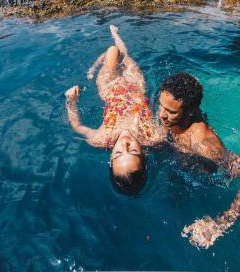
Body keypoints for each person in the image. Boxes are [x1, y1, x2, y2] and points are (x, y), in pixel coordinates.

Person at [158, 72, 240, 249]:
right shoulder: (173, 107)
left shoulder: (205, 145)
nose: (161, 115)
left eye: (170, 111)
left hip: (202, 181)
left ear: (190, 112)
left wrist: (221, 224)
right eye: (161, 105)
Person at [65, 25, 165, 195]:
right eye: (132, 150)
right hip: (136, 88)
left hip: (110, 87)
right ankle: (116, 36)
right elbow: (163, 111)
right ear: (144, 155)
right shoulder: (154, 137)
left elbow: (77, 126)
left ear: (111, 158)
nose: (124, 143)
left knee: (113, 51)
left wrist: (70, 101)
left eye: (118, 152)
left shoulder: (101, 139)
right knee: (125, 55)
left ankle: (102, 57)